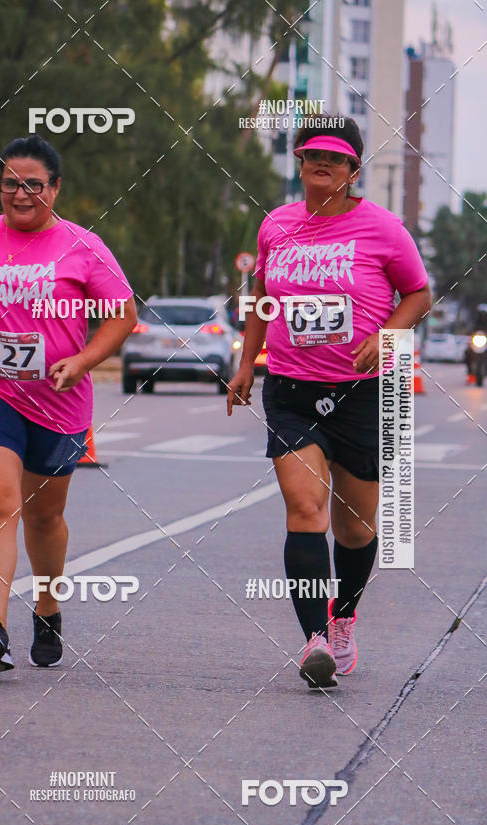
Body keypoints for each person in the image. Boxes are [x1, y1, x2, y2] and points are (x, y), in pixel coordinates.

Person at [227, 116, 431, 690]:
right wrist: (247, 362)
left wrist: (384, 336)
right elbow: (263, 295)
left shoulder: (384, 229)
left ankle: (344, 617)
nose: (322, 164)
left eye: (335, 158)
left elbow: (418, 292)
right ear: (299, 161)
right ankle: (315, 639)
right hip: (291, 387)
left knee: (357, 527)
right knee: (305, 507)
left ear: (353, 170)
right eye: (312, 153)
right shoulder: (276, 226)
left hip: (363, 393)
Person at [0, 135, 137, 673]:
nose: (20, 195)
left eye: (33, 185)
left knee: (44, 517)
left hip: (60, 399)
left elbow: (122, 316)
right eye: (9, 184)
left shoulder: (83, 247)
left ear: (55, 188)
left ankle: (47, 609)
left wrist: (83, 362)